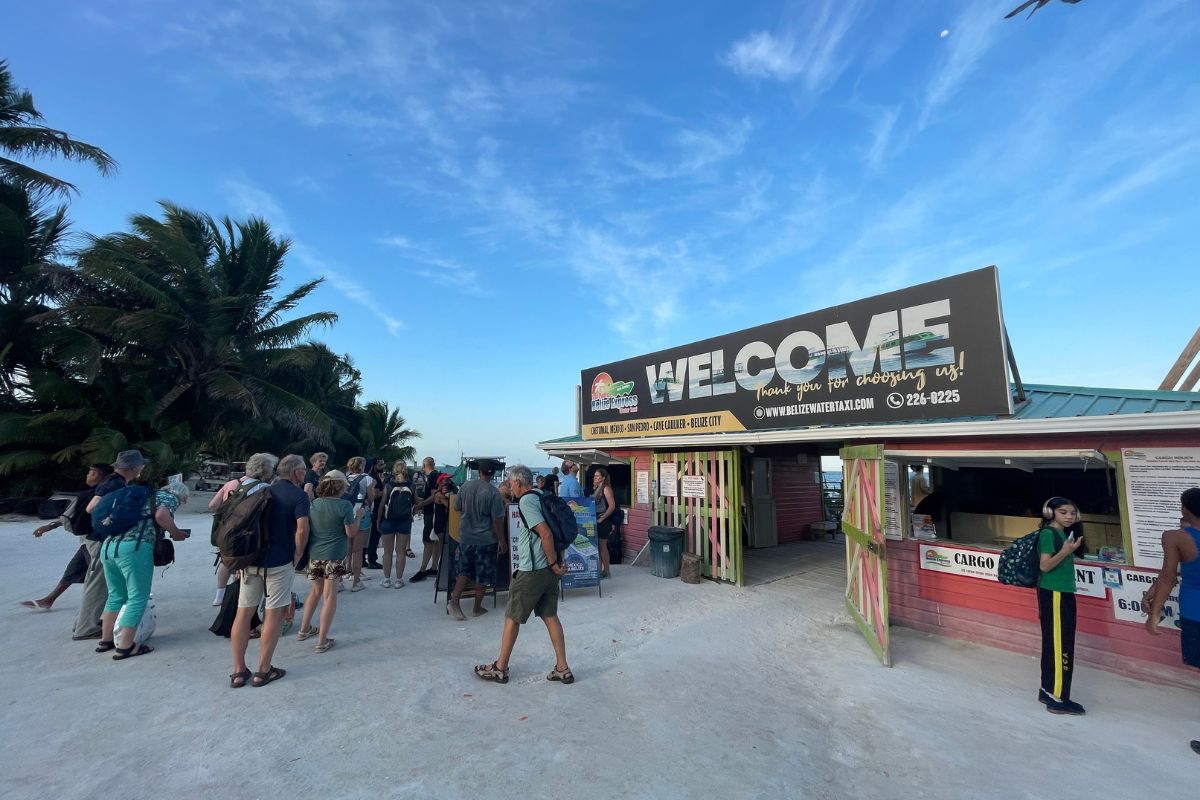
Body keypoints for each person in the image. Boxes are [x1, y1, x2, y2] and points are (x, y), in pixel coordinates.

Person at [474, 465, 572, 685]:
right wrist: (557, 563)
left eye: (510, 482)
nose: (509, 486)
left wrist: (553, 563)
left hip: (533, 570)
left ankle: (500, 667)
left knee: (512, 617)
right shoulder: (543, 496)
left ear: (518, 482)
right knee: (550, 616)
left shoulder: (527, 501)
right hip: (548, 571)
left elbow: (546, 534)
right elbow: (557, 533)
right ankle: (562, 668)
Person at [230, 454, 310, 688]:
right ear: (296, 472)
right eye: (303, 470)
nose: (304, 473)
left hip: (250, 560)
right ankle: (263, 670)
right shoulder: (298, 495)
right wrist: (297, 554)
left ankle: (237, 670)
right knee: (274, 614)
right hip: (279, 562)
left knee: (243, 614)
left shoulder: (258, 490)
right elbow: (302, 529)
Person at [96, 468, 190, 659]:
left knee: (115, 595)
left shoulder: (142, 496)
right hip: (134, 548)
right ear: (182, 495)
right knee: (137, 597)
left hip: (108, 546)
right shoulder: (169, 497)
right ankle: (126, 646)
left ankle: (105, 641)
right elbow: (161, 516)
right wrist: (177, 533)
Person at [1143, 487, 1200, 755]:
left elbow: (1168, 576)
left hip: (1196, 614)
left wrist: (1155, 613)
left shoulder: (1176, 537)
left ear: (1184, 510)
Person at [22, 463, 112, 612]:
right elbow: (72, 517)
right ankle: (49, 599)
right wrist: (51, 526)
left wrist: (50, 526)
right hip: (88, 541)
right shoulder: (93, 494)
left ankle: (102, 610)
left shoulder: (97, 495)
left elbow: (70, 517)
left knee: (96, 577)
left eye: (92, 473)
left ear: (101, 476)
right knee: (74, 571)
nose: (87, 475)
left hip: (96, 542)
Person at [74, 451, 145, 640]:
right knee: (98, 584)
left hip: (98, 538)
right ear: (132, 467)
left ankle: (85, 623)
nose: (142, 468)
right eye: (141, 465)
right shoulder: (115, 483)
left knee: (101, 584)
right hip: (98, 539)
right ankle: (86, 628)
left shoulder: (115, 481)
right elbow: (92, 507)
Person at [1035, 496, 1086, 715]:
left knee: (1056, 644)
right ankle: (1056, 697)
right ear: (1050, 513)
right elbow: (1045, 566)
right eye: (1063, 512)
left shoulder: (1064, 534)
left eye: (1072, 513)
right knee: (1060, 646)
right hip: (1054, 593)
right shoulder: (1048, 534)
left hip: (1061, 593)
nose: (1069, 517)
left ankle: (1047, 690)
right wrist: (1066, 550)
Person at [296, 470, 356, 653]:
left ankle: (304, 629)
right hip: (334, 556)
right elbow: (350, 533)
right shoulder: (345, 506)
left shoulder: (314, 504)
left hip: (315, 555)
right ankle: (322, 640)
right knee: (329, 596)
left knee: (315, 592)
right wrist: (359, 516)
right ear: (341, 487)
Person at [208, 453, 277, 606]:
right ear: (266, 470)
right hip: (245, 536)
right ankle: (236, 596)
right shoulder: (263, 488)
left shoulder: (232, 483)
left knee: (226, 563)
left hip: (225, 532)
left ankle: (220, 595)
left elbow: (212, 505)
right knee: (242, 569)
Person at [450, 459, 507, 620]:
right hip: (486, 539)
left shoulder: (466, 486)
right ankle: (477, 607)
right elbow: (497, 520)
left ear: (479, 471)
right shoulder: (493, 492)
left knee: (464, 571)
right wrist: (502, 541)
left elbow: (456, 507)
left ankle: (454, 602)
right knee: (483, 575)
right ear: (493, 473)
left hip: (466, 537)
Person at [376, 461, 414, 588]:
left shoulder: (388, 485)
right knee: (401, 552)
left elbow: (382, 504)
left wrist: (378, 520)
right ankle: (399, 580)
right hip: (404, 521)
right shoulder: (411, 485)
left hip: (388, 521)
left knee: (387, 552)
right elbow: (416, 503)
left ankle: (386, 579)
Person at [343, 456, 376, 591]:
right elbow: (371, 497)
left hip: (346, 512)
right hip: (361, 513)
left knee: (346, 548)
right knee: (358, 550)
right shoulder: (367, 478)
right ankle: (356, 581)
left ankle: (342, 576)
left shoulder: (346, 478)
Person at [412, 456, 438, 577]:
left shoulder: (432, 477)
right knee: (435, 540)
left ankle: (423, 569)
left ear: (424, 466)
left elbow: (434, 495)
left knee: (427, 540)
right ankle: (434, 567)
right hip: (436, 513)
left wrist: (421, 504)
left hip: (431, 513)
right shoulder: (437, 475)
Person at [593, 467, 617, 579]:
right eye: (594, 476)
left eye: (598, 476)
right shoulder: (597, 488)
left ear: (603, 478)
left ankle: (607, 571)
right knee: (598, 546)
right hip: (597, 519)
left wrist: (602, 518)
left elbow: (612, 506)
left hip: (603, 520)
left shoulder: (606, 488)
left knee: (602, 546)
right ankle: (600, 570)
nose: (595, 478)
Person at [364, 458, 387, 569]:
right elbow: (376, 495)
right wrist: (385, 491)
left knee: (367, 536)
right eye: (380, 465)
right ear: (373, 466)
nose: (383, 466)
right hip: (375, 510)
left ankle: (364, 559)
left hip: (371, 510)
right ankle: (372, 560)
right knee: (374, 536)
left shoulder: (373, 478)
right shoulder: (373, 479)